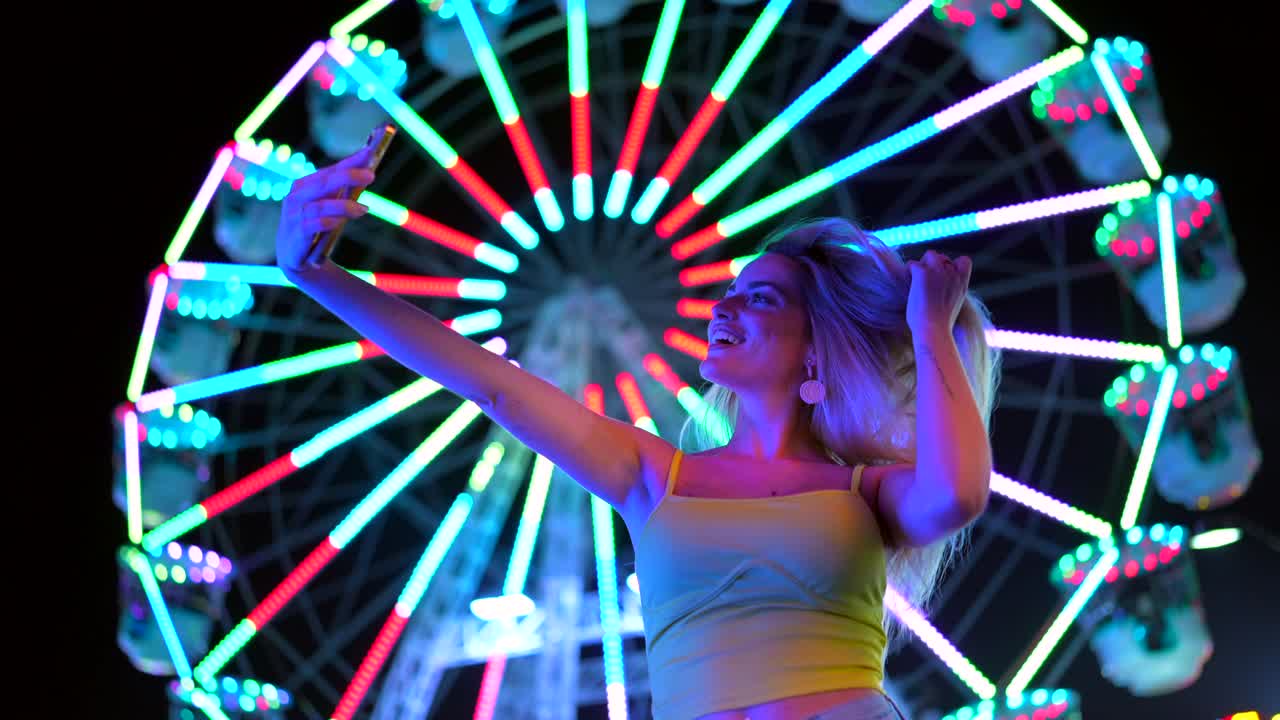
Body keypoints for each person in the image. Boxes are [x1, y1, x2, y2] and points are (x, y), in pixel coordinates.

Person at [278, 145, 1001, 720]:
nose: (727, 308)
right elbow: (491, 385)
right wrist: (314, 274)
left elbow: (958, 493)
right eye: (730, 292)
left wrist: (929, 327)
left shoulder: (865, 492)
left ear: (815, 349)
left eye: (761, 298)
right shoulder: (654, 474)